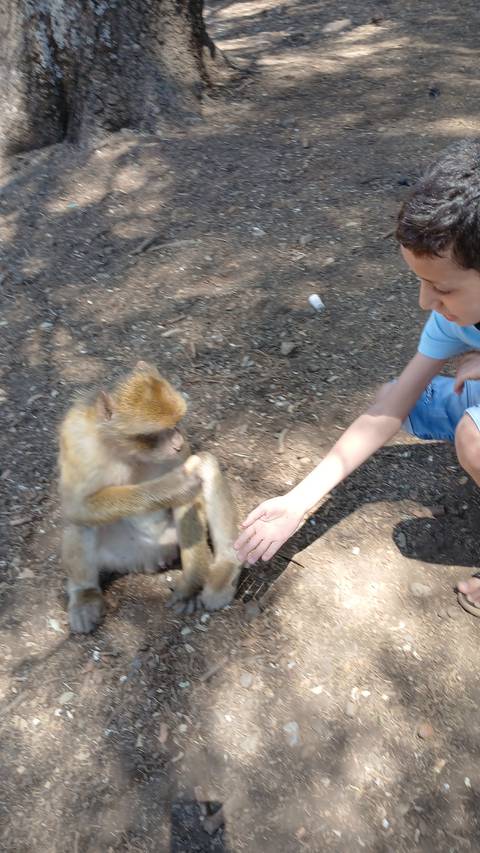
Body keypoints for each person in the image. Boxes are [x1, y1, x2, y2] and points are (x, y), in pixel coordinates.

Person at [234, 139, 480, 616]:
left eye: (442, 287)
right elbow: (389, 408)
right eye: (420, 281)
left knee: (473, 437)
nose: (425, 303)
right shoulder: (454, 317)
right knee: (411, 399)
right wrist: (298, 501)